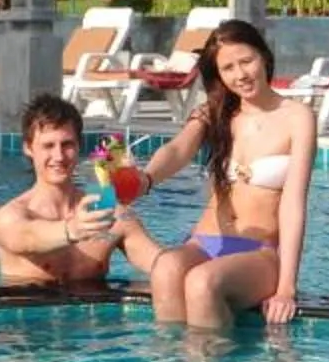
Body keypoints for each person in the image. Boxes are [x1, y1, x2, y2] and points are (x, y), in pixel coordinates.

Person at [136, 19, 317, 332]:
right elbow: (178, 150)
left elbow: (293, 203)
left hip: (260, 252)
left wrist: (287, 287)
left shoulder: (297, 118)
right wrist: (146, 178)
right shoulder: (215, 113)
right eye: (228, 68)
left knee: (202, 282)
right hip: (205, 242)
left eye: (247, 61)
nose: (240, 75)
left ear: (264, 56)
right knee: (166, 267)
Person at [0, 94, 163, 287]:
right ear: (28, 148)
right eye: (48, 145)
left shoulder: (113, 215)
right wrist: (72, 229)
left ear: (79, 146)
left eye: (67, 145)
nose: (59, 156)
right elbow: (29, 238)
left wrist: (198, 248)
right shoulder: (8, 218)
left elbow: (164, 266)